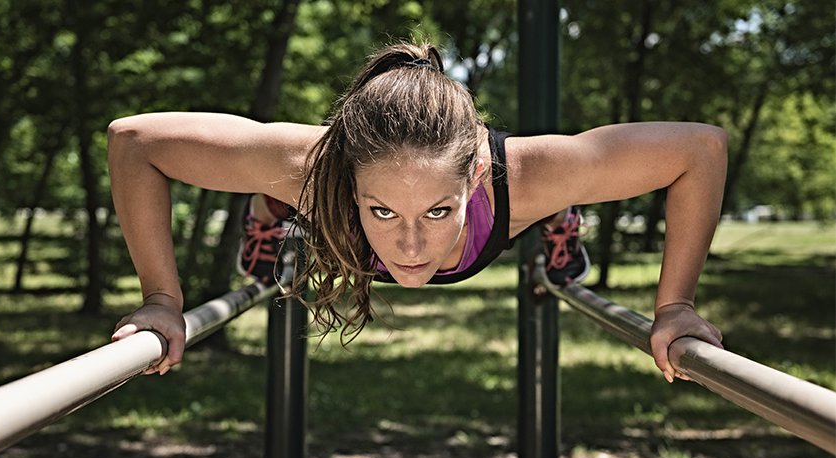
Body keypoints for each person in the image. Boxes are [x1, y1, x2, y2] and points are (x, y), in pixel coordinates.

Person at [108, 41, 725, 383]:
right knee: (280, 184)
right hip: (307, 189)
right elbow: (133, 142)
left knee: (556, 192)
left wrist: (675, 306)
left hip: (520, 201)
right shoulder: (309, 165)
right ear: (350, 185)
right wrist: (162, 297)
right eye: (381, 212)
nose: (408, 247)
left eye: (436, 212)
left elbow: (700, 149)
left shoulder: (526, 175)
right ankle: (271, 214)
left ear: (475, 179)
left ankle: (556, 220)